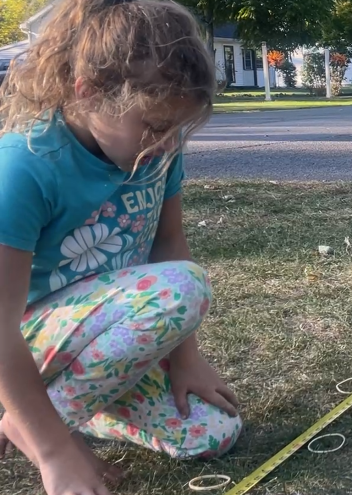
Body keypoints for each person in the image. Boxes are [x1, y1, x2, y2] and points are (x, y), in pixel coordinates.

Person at [0, 1, 242, 494]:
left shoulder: (157, 152)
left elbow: (168, 242)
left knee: (211, 434)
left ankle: (70, 412)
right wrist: (54, 453)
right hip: (28, 349)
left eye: (177, 130)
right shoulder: (24, 169)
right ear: (87, 92)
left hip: (100, 343)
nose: (169, 144)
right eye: (155, 127)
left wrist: (186, 356)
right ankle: (34, 425)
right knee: (181, 287)